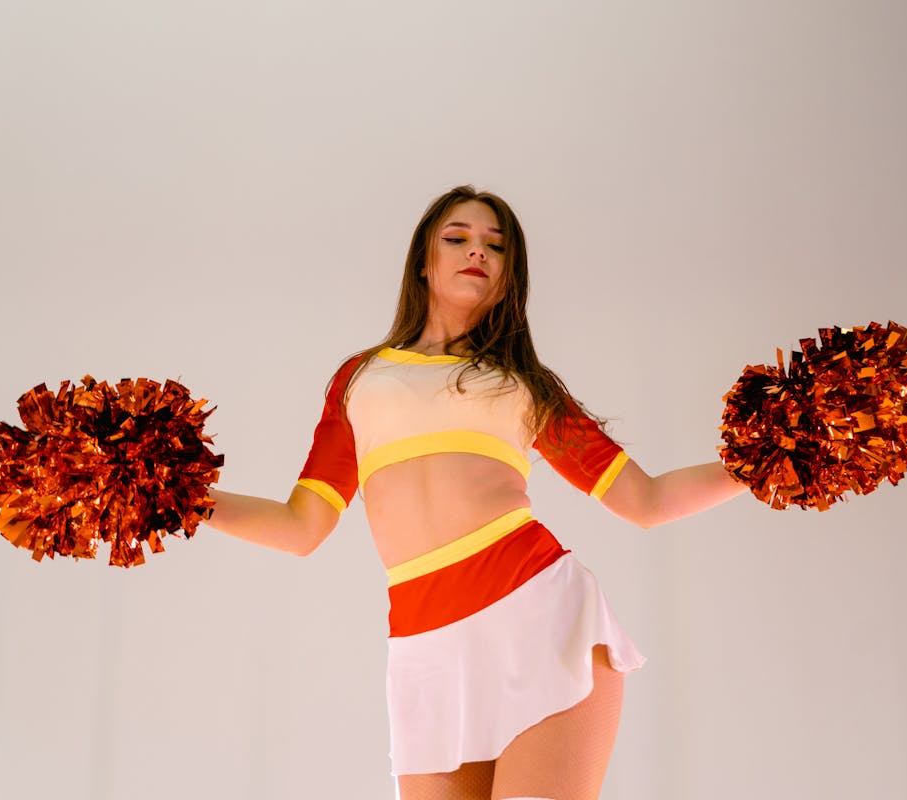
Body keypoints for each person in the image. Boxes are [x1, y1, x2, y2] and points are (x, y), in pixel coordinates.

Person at [205, 186, 748, 800]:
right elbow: (301, 526)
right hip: (426, 650)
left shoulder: (525, 385)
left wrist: (767, 461)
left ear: (510, 274)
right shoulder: (360, 378)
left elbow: (644, 501)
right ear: (423, 262)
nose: (477, 253)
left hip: (539, 621)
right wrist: (182, 496)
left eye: (496, 246)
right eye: (457, 238)